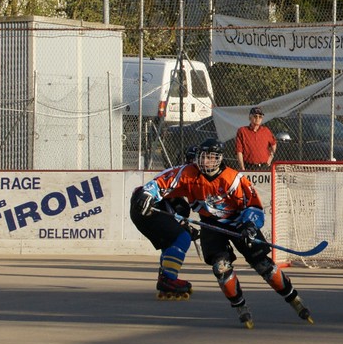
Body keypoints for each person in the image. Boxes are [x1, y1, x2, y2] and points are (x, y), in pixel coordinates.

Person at [130, 137, 312, 328]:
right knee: (221, 268)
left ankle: (293, 298)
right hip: (211, 224)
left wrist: (250, 226)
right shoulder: (188, 173)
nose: (205, 161)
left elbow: (253, 206)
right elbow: (161, 182)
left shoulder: (233, 179)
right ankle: (240, 306)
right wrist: (147, 194)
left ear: (218, 159)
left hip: (238, 222)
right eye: (202, 156)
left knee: (263, 265)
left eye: (210, 157)